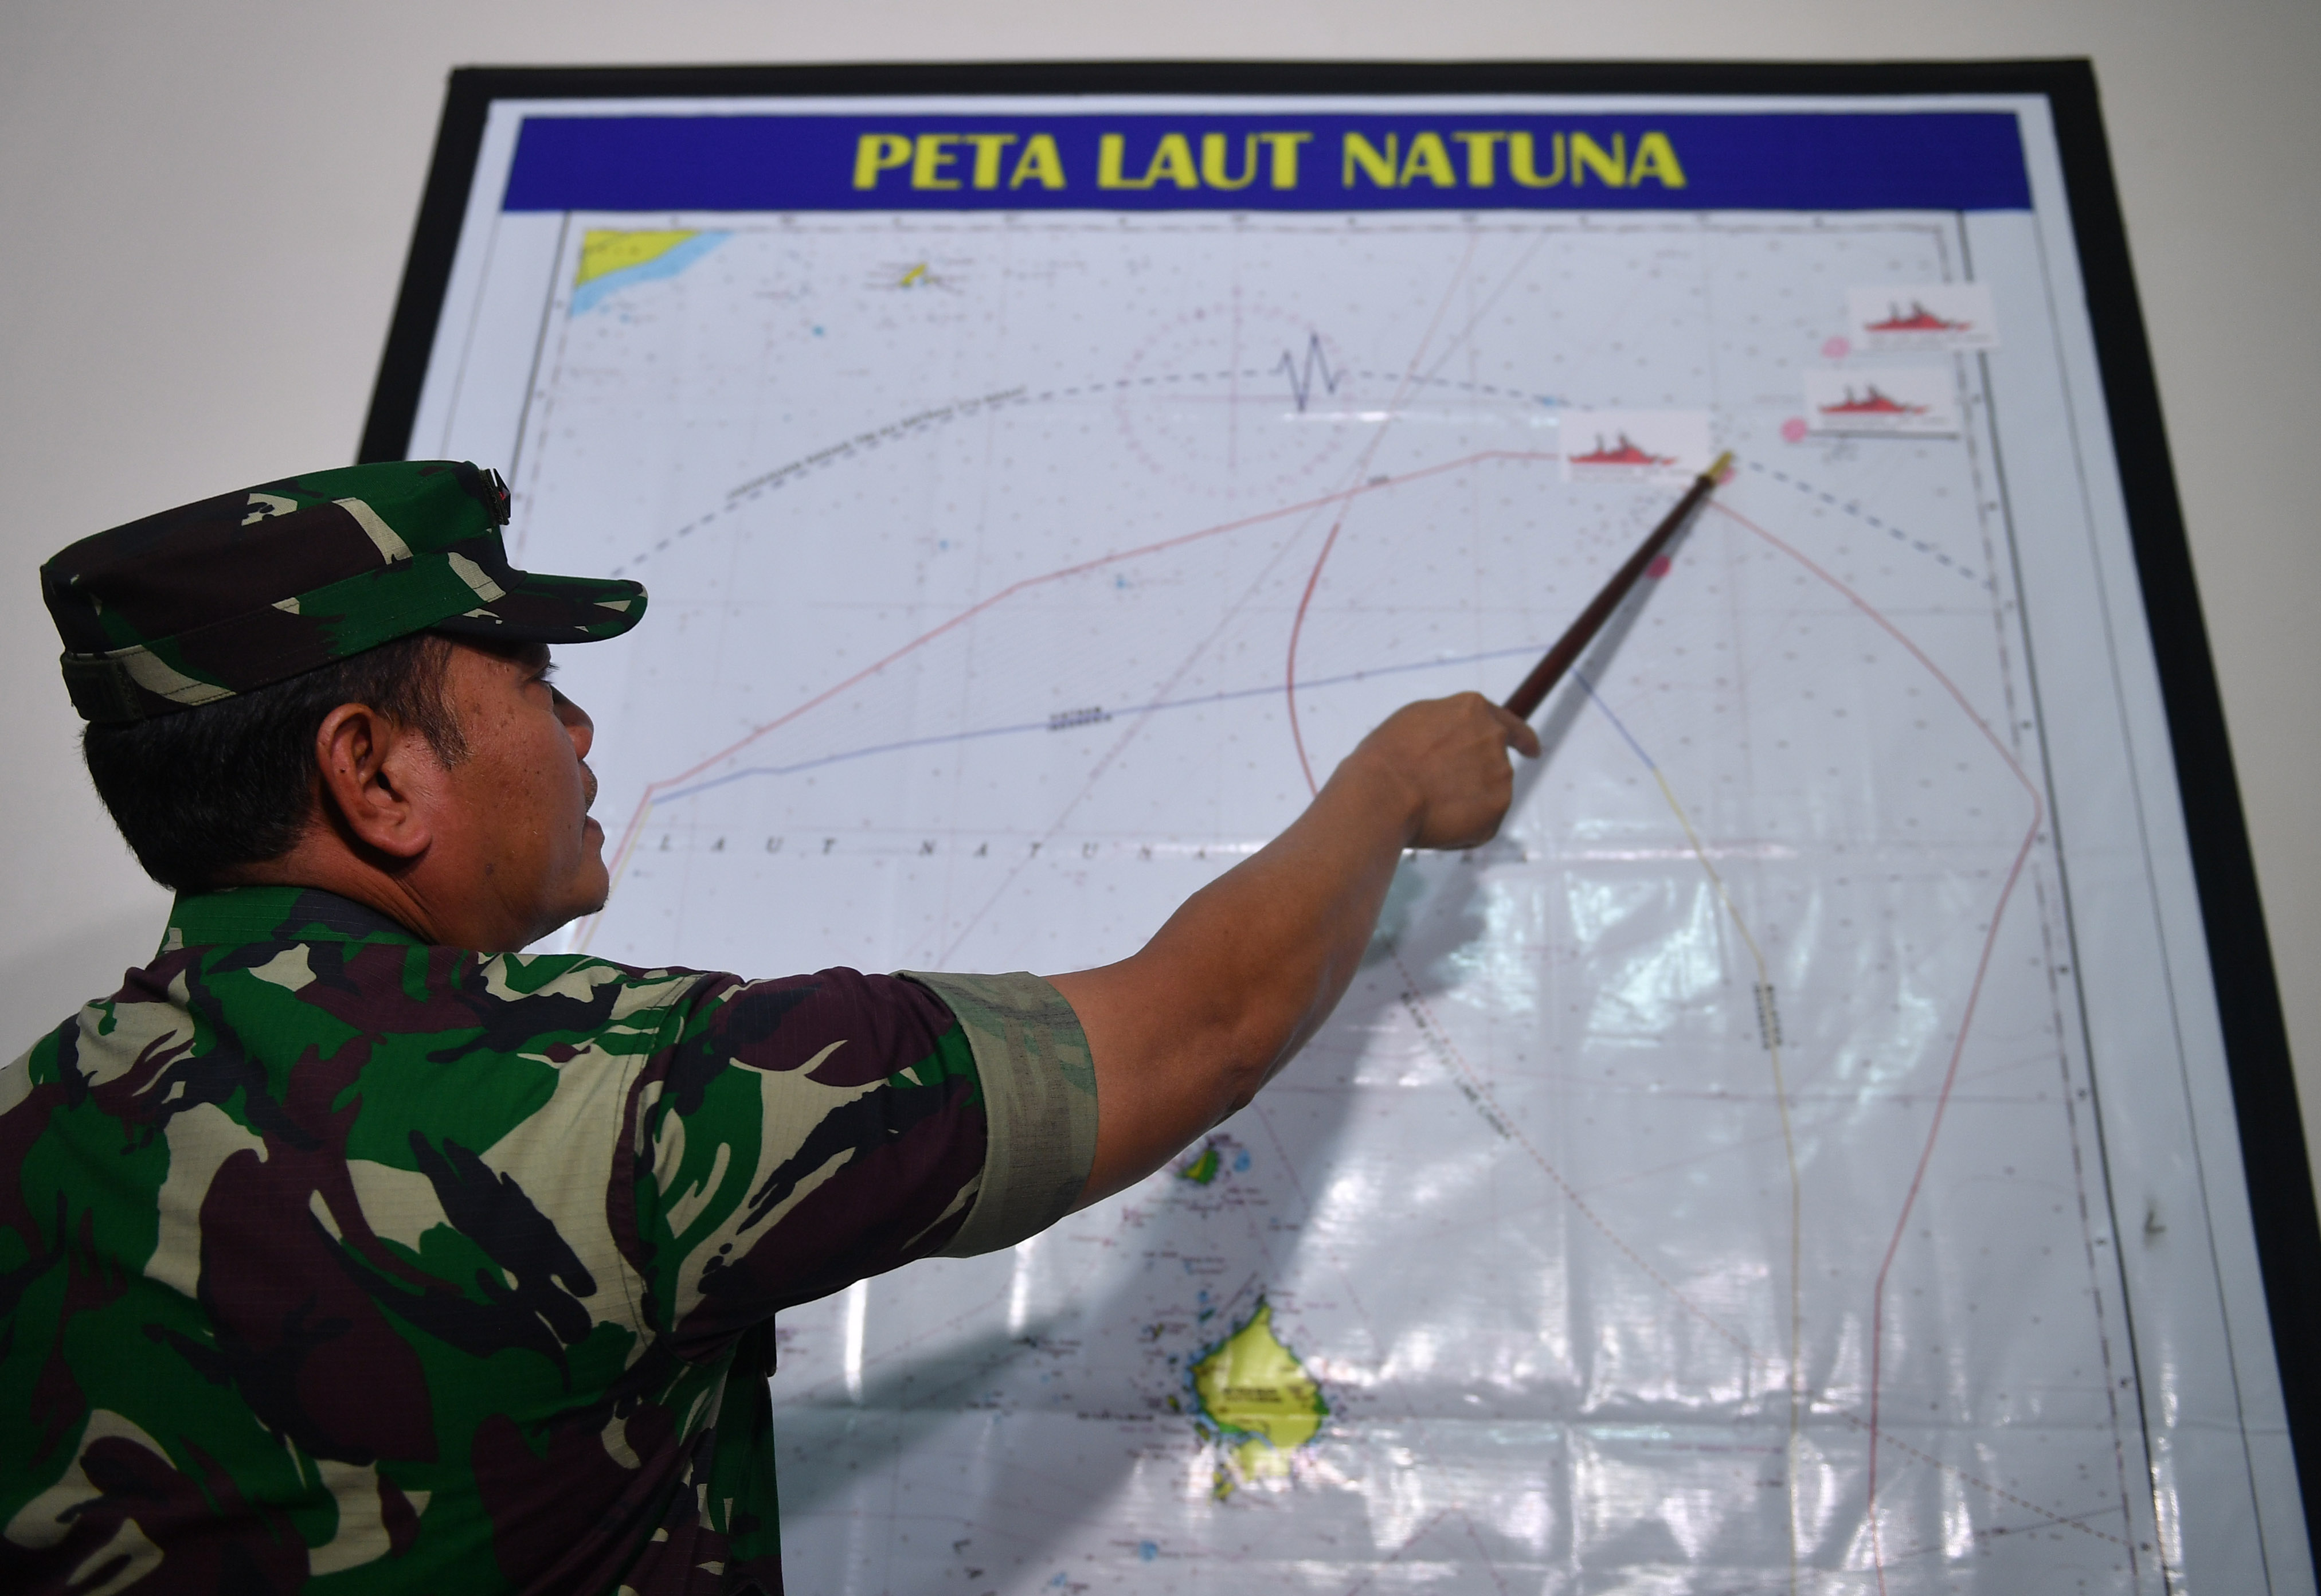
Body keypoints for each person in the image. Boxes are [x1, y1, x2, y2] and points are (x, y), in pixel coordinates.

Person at [0, 460, 1535, 1594]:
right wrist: (1391, 789)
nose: (577, 727)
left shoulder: (24, 1134)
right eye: (535, 681)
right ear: (376, 775)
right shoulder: (613, 1100)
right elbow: (1208, 1026)